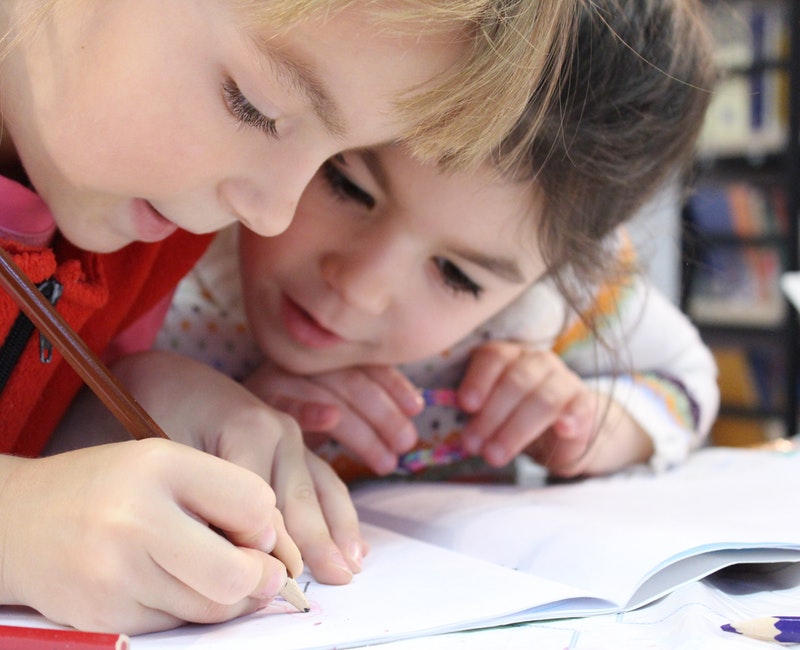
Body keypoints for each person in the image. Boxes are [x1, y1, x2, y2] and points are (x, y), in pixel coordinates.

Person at [0, 0, 578, 634]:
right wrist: (19, 525)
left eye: (334, 155)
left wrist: (114, 408)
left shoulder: (145, 226)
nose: (272, 215)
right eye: (256, 107)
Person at [152, 0, 720, 482]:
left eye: (457, 276)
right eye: (347, 186)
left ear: (557, 273)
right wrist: (190, 411)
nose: (361, 287)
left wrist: (593, 425)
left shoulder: (556, 307)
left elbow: (688, 379)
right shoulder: (169, 226)